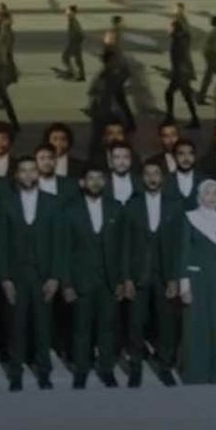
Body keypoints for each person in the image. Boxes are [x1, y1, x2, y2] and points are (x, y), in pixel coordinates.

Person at [0, 156, 65, 391]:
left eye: (32, 170)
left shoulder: (53, 202)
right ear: (16, 175)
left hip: (43, 275)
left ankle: (44, 373)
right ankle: (15, 374)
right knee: (16, 327)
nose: (28, 175)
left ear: (38, 174)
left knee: (43, 326)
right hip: (16, 275)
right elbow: (0, 244)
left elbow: (59, 243)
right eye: (23, 170)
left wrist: (55, 277)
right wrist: (5, 279)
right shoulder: (6, 203)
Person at [61, 162, 124, 389]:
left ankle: (106, 369)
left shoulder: (116, 207)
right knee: (81, 328)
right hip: (81, 280)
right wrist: (67, 284)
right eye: (91, 178)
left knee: (107, 328)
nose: (95, 182)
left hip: (109, 279)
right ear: (82, 183)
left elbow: (123, 247)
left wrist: (121, 280)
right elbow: (64, 250)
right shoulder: (70, 209)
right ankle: (81, 370)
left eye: (99, 178)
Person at [177, 179, 216, 384]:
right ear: (199, 196)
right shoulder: (190, 218)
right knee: (197, 326)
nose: (212, 197)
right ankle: (197, 372)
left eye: (215, 193)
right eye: (207, 193)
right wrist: (184, 286)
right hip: (197, 280)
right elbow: (184, 252)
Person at [124, 161, 183, 385]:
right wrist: (127, 278)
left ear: (163, 178)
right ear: (142, 178)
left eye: (156, 173)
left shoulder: (175, 205)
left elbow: (179, 246)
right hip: (138, 274)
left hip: (165, 275)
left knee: (166, 324)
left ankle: (165, 366)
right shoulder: (131, 205)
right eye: (148, 173)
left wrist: (175, 278)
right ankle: (136, 367)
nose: (152, 177)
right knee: (135, 323)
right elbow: (125, 245)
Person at [164, 17, 200, 129]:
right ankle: (194, 119)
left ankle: (171, 117)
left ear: (175, 28)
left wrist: (177, 74)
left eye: (170, 27)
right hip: (183, 73)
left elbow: (180, 58)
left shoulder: (178, 41)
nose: (168, 29)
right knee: (186, 96)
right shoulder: (182, 38)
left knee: (169, 94)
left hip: (180, 74)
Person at [197, 14, 216, 103]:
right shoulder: (215, 31)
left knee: (208, 77)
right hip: (211, 55)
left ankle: (201, 97)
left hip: (211, 55)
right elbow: (209, 44)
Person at [60, 5, 85, 82]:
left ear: (73, 12)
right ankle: (81, 75)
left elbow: (80, 33)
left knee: (65, 57)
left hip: (74, 43)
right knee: (78, 60)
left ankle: (72, 72)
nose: (66, 12)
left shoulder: (74, 21)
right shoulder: (72, 20)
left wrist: (77, 40)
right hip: (75, 43)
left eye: (68, 11)